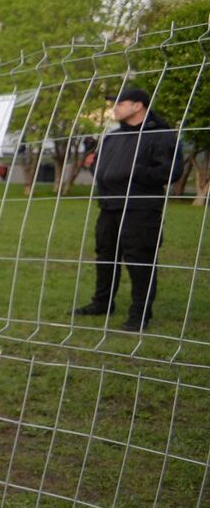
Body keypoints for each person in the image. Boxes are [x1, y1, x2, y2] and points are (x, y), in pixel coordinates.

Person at [73, 86, 183, 331]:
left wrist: (137, 172)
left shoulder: (161, 135)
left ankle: (139, 314)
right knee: (105, 256)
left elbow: (171, 172)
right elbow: (99, 167)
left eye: (120, 102)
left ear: (138, 106)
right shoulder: (113, 136)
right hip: (109, 205)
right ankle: (102, 303)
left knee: (139, 259)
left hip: (140, 207)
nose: (115, 107)